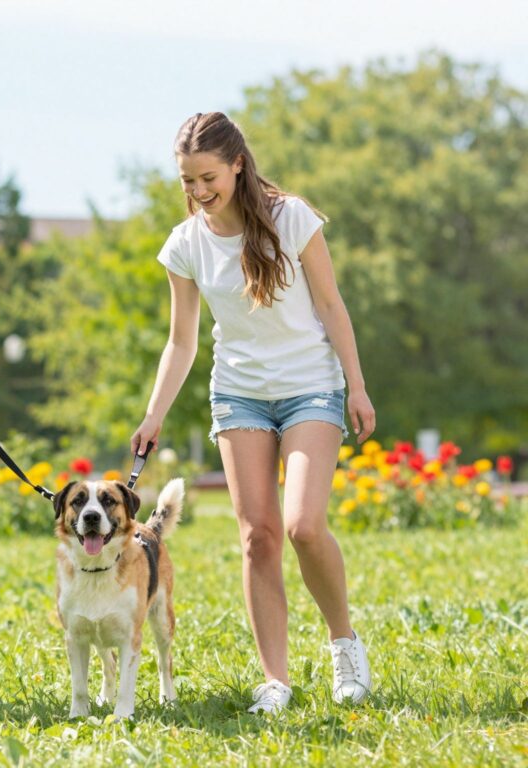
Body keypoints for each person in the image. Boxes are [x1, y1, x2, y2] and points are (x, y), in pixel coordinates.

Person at [131, 112, 375, 715]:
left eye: (208, 177)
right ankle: (275, 678)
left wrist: (357, 386)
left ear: (237, 164)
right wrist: (153, 414)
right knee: (257, 536)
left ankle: (344, 643)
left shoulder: (292, 218)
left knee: (302, 526)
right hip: (237, 393)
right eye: (188, 181)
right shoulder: (185, 243)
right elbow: (181, 341)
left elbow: (330, 303)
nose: (198, 192)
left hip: (309, 387)